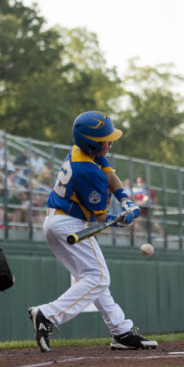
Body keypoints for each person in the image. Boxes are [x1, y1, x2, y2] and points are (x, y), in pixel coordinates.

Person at [28, 111, 156, 352]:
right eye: (105, 140)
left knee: (94, 279)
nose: (110, 143)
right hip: (68, 224)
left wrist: (125, 199)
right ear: (92, 143)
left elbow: (110, 174)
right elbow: (100, 217)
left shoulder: (82, 151)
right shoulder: (87, 171)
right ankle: (48, 315)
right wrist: (123, 219)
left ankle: (121, 331)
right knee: (98, 278)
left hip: (58, 222)